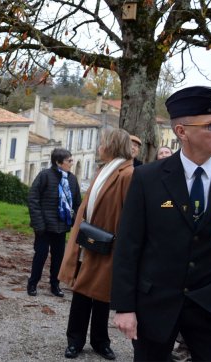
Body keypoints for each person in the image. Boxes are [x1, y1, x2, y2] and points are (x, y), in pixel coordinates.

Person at [111, 86, 211, 361]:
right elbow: (129, 246)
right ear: (182, 131)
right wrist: (124, 307)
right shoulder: (147, 179)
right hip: (155, 307)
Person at [58, 128, 134, 360]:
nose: (99, 147)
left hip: (106, 244)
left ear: (111, 146)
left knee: (101, 294)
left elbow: (129, 215)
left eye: (102, 143)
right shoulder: (103, 169)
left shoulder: (126, 173)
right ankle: (75, 340)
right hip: (87, 241)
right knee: (81, 292)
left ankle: (100, 341)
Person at [27, 148, 81, 297]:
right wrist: (39, 223)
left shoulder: (72, 179)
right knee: (41, 255)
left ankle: (54, 285)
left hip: (62, 227)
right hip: (44, 227)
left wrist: (73, 220)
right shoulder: (44, 176)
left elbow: (77, 202)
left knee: (58, 258)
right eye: (69, 160)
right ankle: (32, 284)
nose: (71, 163)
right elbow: (33, 199)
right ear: (58, 162)